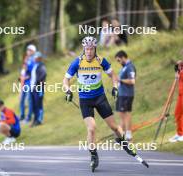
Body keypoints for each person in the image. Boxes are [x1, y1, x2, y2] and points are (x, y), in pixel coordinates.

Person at [63, 36, 136, 172]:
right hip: (85, 100)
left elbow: (113, 76)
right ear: (84, 49)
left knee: (114, 127)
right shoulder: (77, 62)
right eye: (87, 49)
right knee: (91, 128)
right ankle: (94, 155)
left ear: (95, 49)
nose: (89, 51)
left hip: (100, 98)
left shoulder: (101, 61)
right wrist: (68, 91)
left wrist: (115, 87)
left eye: (91, 49)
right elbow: (65, 80)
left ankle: (124, 142)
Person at [115, 50, 136, 141]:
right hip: (121, 94)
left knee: (126, 114)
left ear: (123, 57)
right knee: (121, 114)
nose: (119, 62)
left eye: (119, 60)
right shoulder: (124, 67)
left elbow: (132, 81)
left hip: (126, 94)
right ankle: (121, 135)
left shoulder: (130, 67)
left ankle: (128, 134)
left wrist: (120, 80)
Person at [19, 44, 36, 122]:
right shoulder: (26, 59)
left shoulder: (34, 60)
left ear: (33, 51)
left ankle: (28, 117)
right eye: (27, 50)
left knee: (29, 100)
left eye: (30, 50)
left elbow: (32, 72)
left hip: (30, 82)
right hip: (24, 82)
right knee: (21, 99)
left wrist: (26, 77)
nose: (28, 51)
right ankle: (22, 115)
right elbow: (23, 70)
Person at [30, 52, 46, 127]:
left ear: (39, 58)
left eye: (36, 58)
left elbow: (42, 76)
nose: (34, 59)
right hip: (33, 88)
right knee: (34, 105)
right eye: (34, 57)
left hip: (39, 88)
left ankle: (39, 120)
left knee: (39, 104)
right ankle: (35, 119)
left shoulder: (41, 66)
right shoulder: (35, 66)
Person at [169, 61, 183, 142]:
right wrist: (178, 69)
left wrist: (179, 72)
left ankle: (182, 134)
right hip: (181, 94)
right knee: (177, 114)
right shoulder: (181, 66)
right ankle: (179, 133)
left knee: (180, 113)